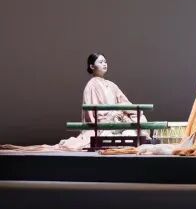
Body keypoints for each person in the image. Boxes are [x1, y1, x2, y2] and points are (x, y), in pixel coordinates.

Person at [1, 53, 147, 152]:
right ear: (92, 66)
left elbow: (125, 102)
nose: (104, 64)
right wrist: (112, 116)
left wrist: (126, 112)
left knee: (135, 125)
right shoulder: (91, 85)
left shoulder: (112, 85)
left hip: (117, 120)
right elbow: (92, 111)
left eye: (105, 61)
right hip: (104, 123)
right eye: (101, 62)